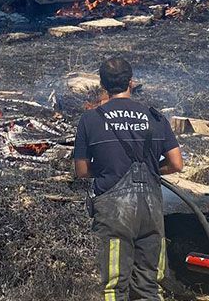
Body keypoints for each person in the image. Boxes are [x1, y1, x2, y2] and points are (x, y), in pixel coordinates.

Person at [73, 58, 183, 301]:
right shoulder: (155, 117)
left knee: (114, 286)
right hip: (151, 210)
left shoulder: (90, 119)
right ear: (131, 83)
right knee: (150, 286)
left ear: (102, 85)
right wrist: (152, 170)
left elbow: (81, 170)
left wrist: (109, 170)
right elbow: (176, 164)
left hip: (114, 214)